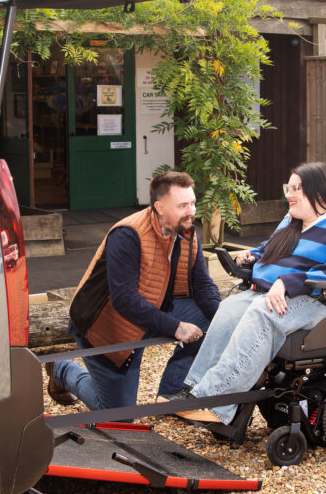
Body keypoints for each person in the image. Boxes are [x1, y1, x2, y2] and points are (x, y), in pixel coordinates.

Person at [172, 162, 326, 424]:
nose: (289, 194)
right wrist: (252, 256)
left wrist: (287, 282)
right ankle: (194, 390)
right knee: (230, 308)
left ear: (320, 192)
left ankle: (215, 399)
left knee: (262, 312)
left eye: (296, 188)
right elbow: (269, 249)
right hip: (282, 294)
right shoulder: (292, 219)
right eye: (287, 187)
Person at [47, 171, 220, 410]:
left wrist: (224, 319)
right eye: (182, 205)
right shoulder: (128, 234)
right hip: (106, 323)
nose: (191, 211)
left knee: (211, 320)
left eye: (192, 203)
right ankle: (63, 369)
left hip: (152, 310)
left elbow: (203, 285)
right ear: (159, 207)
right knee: (118, 416)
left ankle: (170, 394)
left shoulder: (186, 231)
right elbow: (124, 300)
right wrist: (176, 327)